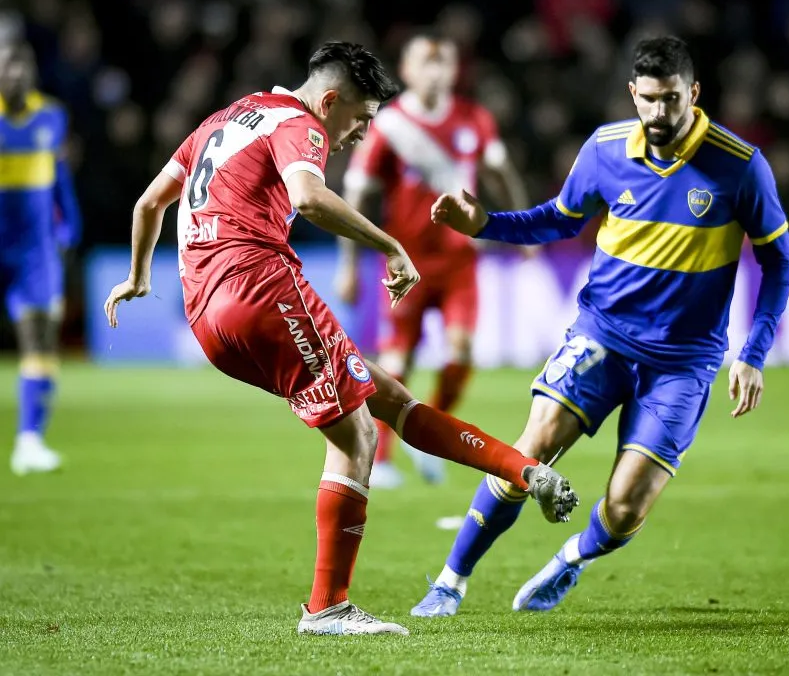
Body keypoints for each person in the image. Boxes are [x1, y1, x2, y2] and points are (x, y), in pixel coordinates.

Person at [103, 41, 578, 637]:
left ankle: (524, 471)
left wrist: (139, 276)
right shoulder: (301, 124)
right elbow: (307, 196)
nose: (358, 133)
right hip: (258, 284)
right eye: (360, 118)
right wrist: (390, 245)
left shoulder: (226, 117)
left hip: (207, 314)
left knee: (385, 395)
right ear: (330, 100)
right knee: (356, 432)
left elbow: (151, 201)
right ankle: (327, 607)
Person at [410, 36, 789, 617]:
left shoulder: (740, 166)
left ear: (693, 93)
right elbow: (556, 220)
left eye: (671, 100)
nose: (659, 114)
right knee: (532, 447)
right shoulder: (605, 149)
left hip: (682, 362)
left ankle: (572, 558)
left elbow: (779, 261)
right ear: (632, 95)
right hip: (603, 336)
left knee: (625, 507)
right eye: (648, 100)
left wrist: (754, 351)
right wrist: (484, 222)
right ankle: (450, 580)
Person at [336, 30, 530, 489]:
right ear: (406, 71)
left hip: (460, 260)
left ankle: (429, 430)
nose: (436, 70)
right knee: (397, 360)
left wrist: (521, 228)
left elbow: (500, 173)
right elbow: (356, 191)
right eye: (426, 61)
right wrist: (348, 262)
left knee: (461, 352)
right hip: (407, 262)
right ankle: (381, 458)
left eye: (443, 62)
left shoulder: (474, 119)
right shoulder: (388, 125)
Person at [0, 41, 82, 475]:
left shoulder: (51, 116)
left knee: (40, 340)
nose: (14, 76)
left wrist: (69, 225)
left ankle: (29, 441)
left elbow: (60, 176)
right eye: (6, 68)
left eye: (20, 67)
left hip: (35, 251)